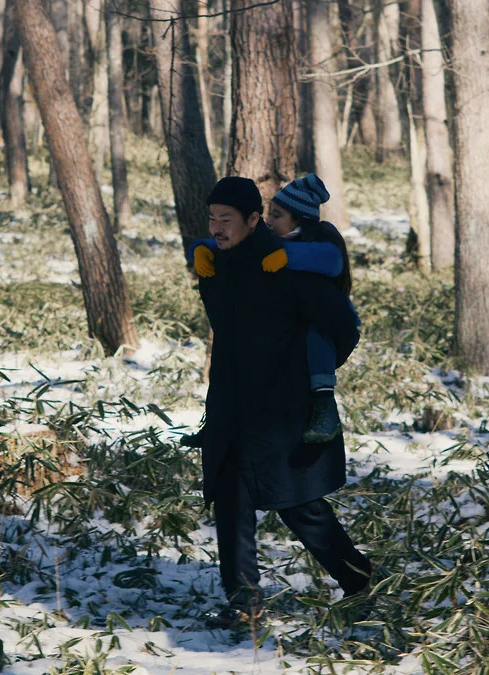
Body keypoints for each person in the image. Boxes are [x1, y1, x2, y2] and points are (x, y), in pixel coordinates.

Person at [192, 176, 373, 627]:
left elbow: (343, 326)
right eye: (212, 219)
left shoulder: (284, 266)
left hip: (282, 412)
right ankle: (244, 603)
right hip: (231, 406)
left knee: (299, 505)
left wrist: (308, 376)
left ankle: (360, 579)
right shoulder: (214, 265)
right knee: (231, 502)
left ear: (254, 220)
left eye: (226, 219)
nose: (216, 228)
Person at [187, 174, 355, 444]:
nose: (270, 221)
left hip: (296, 389)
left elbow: (332, 263)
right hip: (238, 399)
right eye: (212, 219)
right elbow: (221, 244)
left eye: (277, 215)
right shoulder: (239, 256)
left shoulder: (308, 253)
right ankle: (217, 423)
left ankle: (325, 404)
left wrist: (290, 256)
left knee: (317, 342)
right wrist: (198, 249)